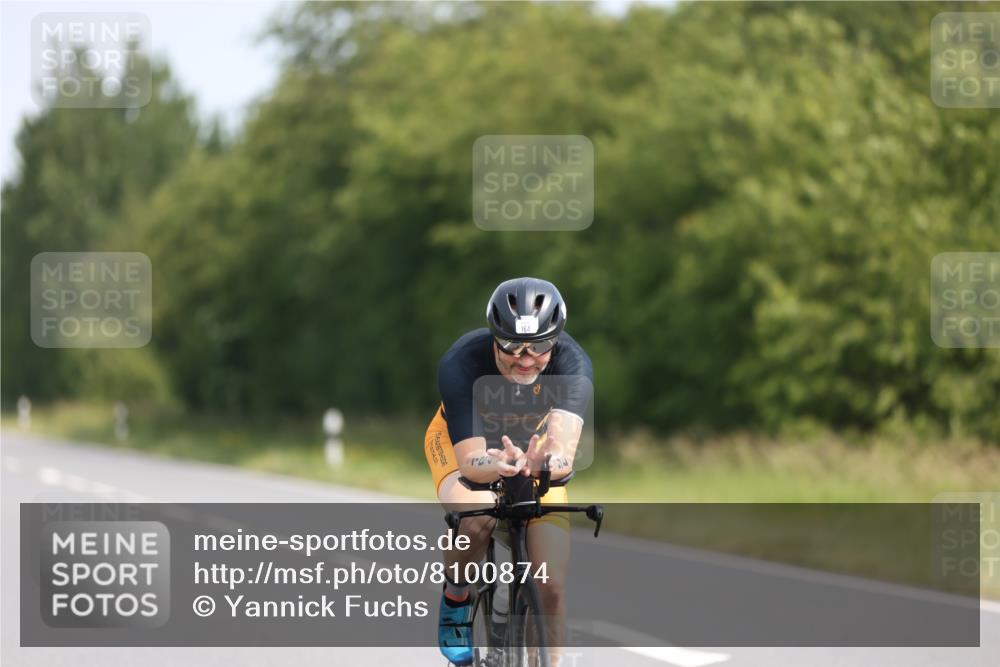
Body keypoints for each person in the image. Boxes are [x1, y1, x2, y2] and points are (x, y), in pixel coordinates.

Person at [424, 277, 594, 666]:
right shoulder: (462, 362)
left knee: (550, 583)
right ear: (493, 337)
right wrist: (498, 465)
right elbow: (471, 462)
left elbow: (564, 454)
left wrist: (543, 464)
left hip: (532, 451)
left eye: (539, 347)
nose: (526, 358)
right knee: (477, 514)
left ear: (556, 340)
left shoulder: (573, 365)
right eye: (512, 347)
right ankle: (457, 594)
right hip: (468, 447)